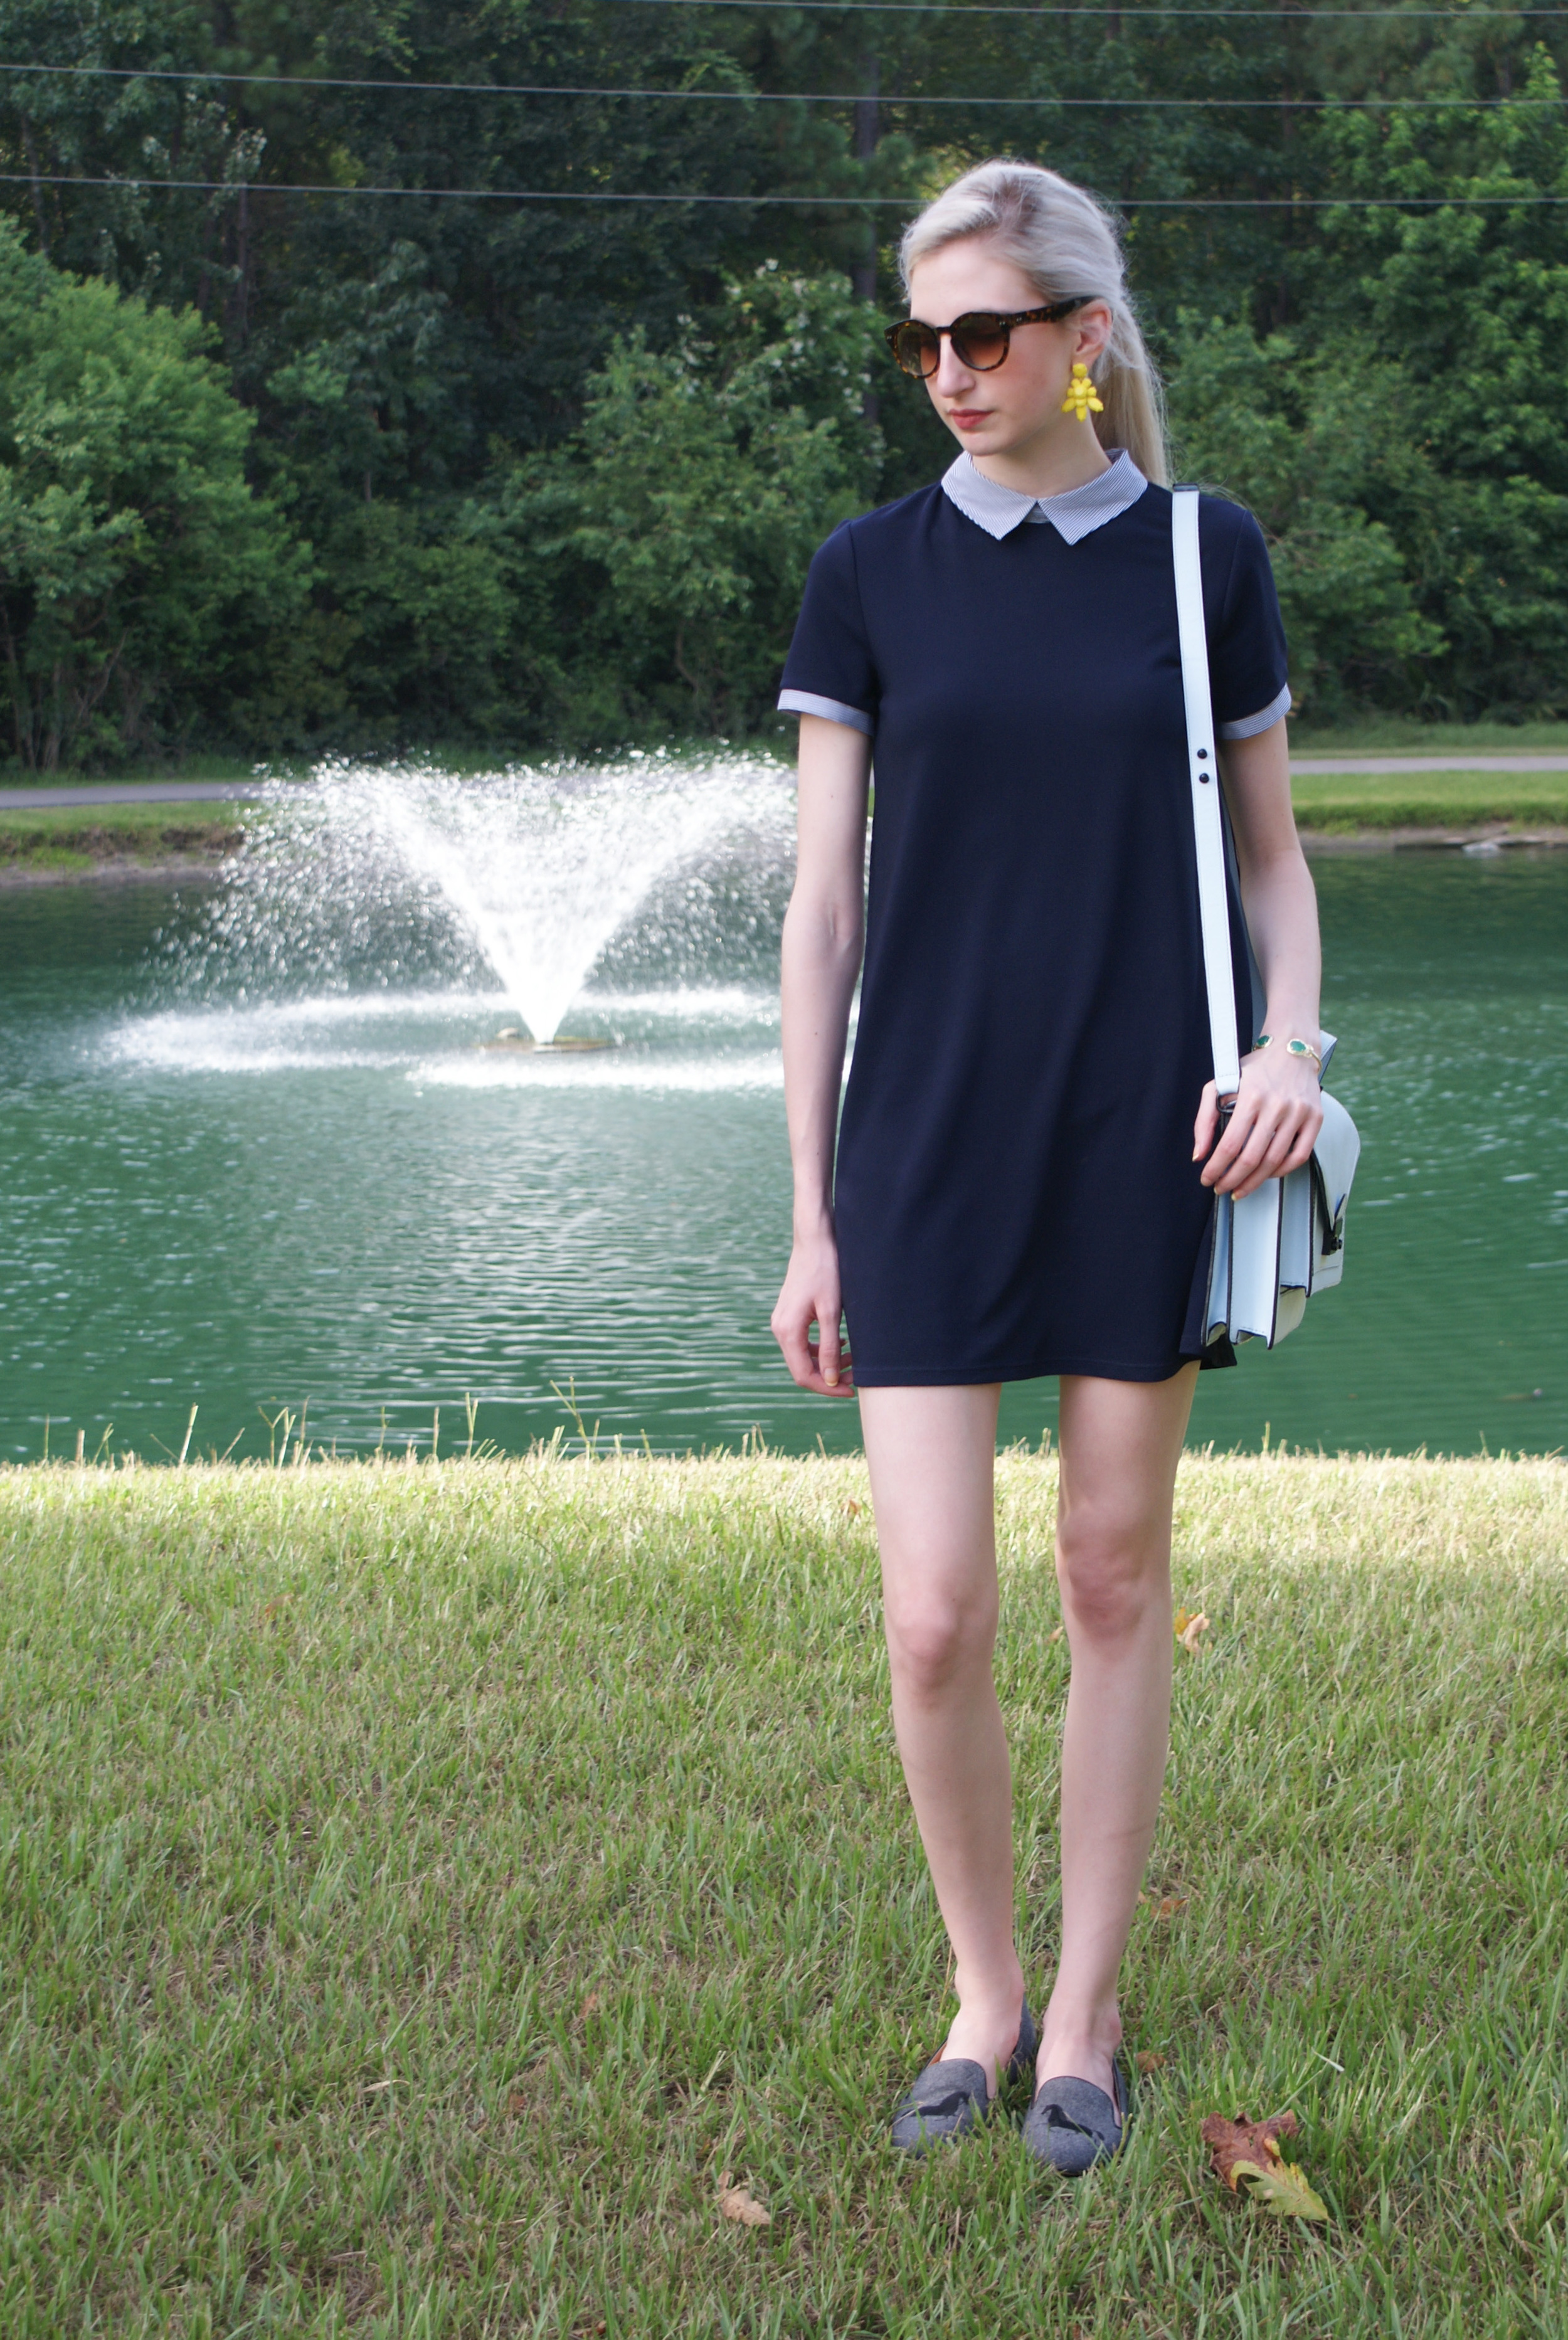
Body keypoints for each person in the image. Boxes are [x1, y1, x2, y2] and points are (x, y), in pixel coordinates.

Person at [770, 159, 1325, 2173]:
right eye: (921, 337)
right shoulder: (867, 569)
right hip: (919, 1140)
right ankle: (981, 1993)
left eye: (983, 332)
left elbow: (1274, 867)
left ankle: (1083, 2013)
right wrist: (810, 1212)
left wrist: (1285, 1047)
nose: (948, 368)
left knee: (1106, 1569)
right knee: (931, 1609)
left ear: (1082, 337)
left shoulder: (1199, 553)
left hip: (1139, 1129)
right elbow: (822, 912)